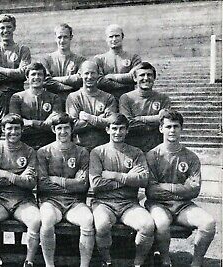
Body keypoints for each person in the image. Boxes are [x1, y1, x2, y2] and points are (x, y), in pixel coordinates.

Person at [145, 110, 216, 267]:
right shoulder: (152, 156)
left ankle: (196, 263)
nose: (172, 130)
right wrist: (182, 188)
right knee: (162, 223)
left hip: (183, 206)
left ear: (181, 129)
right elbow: (151, 191)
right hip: (158, 204)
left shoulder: (191, 157)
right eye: (168, 126)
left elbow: (195, 189)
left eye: (176, 126)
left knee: (209, 223)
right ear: (161, 129)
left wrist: (166, 186)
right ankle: (165, 260)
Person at [89, 113, 154, 267]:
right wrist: (127, 179)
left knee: (148, 225)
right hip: (104, 203)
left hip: (129, 204)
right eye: (114, 128)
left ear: (127, 130)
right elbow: (96, 183)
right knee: (102, 225)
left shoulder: (136, 152)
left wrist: (115, 176)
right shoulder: (97, 152)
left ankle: (138, 263)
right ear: (107, 130)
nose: (118, 132)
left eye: (121, 129)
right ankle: (107, 261)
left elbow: (144, 180)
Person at [0, 113, 40, 267]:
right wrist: (19, 177)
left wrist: (5, 173)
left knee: (36, 220)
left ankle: (29, 261)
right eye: (9, 128)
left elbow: (30, 182)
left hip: (23, 200)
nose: (13, 132)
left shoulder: (29, 151)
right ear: (2, 129)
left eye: (17, 129)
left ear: (22, 130)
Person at [37, 113, 94, 267]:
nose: (63, 132)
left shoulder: (82, 152)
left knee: (88, 220)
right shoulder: (43, 152)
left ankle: (84, 265)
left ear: (72, 129)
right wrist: (71, 183)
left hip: (74, 202)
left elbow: (83, 184)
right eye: (59, 128)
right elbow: (42, 184)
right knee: (47, 219)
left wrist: (57, 180)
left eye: (66, 128)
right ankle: (49, 265)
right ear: (53, 129)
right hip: (50, 201)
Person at [66, 60, 117, 152]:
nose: (89, 77)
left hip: (104, 148)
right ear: (80, 74)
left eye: (93, 73)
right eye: (86, 73)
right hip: (81, 148)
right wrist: (100, 119)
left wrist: (88, 117)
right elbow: (73, 126)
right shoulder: (73, 97)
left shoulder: (108, 98)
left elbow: (111, 123)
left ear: (98, 74)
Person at [119, 62, 171, 152]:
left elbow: (166, 120)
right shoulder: (126, 98)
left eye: (149, 75)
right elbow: (128, 124)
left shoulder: (163, 98)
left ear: (154, 78)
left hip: (156, 148)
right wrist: (154, 121)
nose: (146, 78)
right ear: (135, 78)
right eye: (142, 75)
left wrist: (141, 118)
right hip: (132, 148)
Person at [9, 62, 62, 149]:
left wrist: (28, 122)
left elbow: (55, 121)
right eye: (33, 74)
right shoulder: (17, 97)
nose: (36, 77)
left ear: (44, 77)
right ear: (27, 77)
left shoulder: (54, 97)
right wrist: (37, 123)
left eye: (39, 74)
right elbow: (16, 121)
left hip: (48, 143)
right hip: (25, 143)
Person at [0, 14, 31, 100]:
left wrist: (1, 70)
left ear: (14, 28)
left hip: (18, 94)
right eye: (2, 28)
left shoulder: (23, 49)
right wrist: (15, 75)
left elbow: (23, 74)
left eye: (9, 27)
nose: (6, 30)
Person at [42, 23, 86, 106]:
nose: (62, 41)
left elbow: (80, 79)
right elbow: (46, 80)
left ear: (71, 37)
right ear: (55, 38)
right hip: (52, 101)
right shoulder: (46, 59)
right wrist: (65, 87)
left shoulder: (80, 60)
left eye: (65, 37)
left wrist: (55, 79)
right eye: (59, 37)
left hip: (74, 101)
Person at [94, 24, 141, 101]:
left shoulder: (133, 57)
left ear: (122, 37)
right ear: (106, 39)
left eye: (117, 36)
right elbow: (99, 81)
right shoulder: (99, 59)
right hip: (107, 100)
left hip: (129, 99)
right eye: (111, 36)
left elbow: (135, 77)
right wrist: (125, 83)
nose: (114, 39)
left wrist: (112, 77)